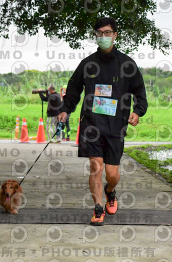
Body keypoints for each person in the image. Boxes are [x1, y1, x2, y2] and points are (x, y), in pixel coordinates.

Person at [57, 17, 147, 226]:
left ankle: (110, 190)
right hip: (92, 123)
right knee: (95, 167)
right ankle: (98, 209)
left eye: (107, 32)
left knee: (112, 173)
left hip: (116, 124)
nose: (103, 36)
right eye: (99, 33)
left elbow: (139, 91)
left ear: (115, 35)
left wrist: (138, 111)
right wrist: (65, 109)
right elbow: (73, 89)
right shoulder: (88, 64)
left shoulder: (127, 64)